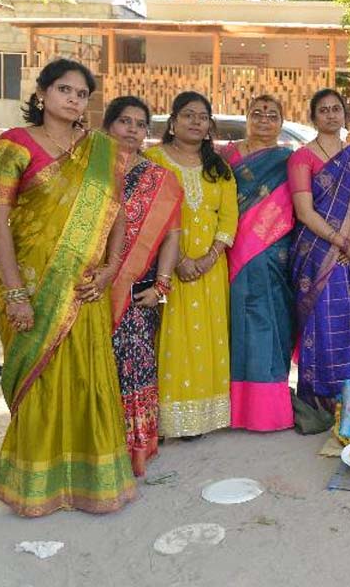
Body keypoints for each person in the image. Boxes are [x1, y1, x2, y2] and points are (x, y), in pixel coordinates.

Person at [0, 59, 136, 516]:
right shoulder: (12, 145)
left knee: (88, 376)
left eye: (81, 94)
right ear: (43, 93)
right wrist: (15, 292)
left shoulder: (101, 151)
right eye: (65, 90)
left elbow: (118, 217)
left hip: (85, 286)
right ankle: (38, 488)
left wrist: (110, 269)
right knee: (42, 381)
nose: (73, 99)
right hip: (32, 286)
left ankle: (92, 482)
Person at [146, 92, 237, 439]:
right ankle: (170, 419)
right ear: (173, 121)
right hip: (166, 267)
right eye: (188, 115)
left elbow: (228, 217)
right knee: (171, 336)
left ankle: (202, 418)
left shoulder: (219, 167)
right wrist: (180, 260)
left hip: (211, 271)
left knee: (208, 338)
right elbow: (148, 217)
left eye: (202, 117)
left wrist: (209, 257)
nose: (196, 122)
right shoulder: (154, 160)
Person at [106, 96, 183, 475]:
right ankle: (96, 443)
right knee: (94, 366)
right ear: (108, 126)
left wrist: (162, 286)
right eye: (124, 121)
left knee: (134, 365)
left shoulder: (159, 179)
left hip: (138, 289)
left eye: (140, 124)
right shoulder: (87, 172)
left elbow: (172, 235)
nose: (132, 129)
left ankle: (134, 447)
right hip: (88, 289)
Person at [289, 88, 350, 410]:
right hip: (318, 254)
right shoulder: (302, 157)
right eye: (323, 110)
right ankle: (321, 401)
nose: (330, 115)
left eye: (336, 109)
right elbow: (305, 212)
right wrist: (343, 243)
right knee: (322, 325)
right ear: (313, 117)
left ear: (345, 115)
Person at [220, 95, 297, 431]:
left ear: (281, 121)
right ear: (246, 117)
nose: (264, 120)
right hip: (231, 249)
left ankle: (270, 409)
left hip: (273, 252)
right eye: (257, 114)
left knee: (272, 324)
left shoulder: (287, 159)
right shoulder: (226, 156)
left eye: (272, 115)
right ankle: (235, 408)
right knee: (236, 325)